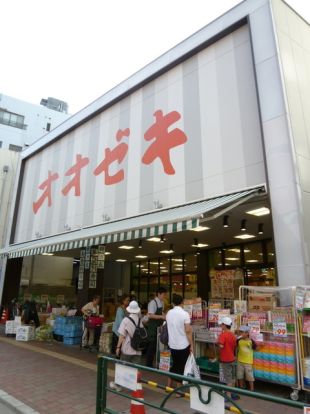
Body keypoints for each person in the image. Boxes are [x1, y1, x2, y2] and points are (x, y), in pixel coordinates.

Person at [166, 294, 193, 388]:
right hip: (183, 344)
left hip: (172, 344)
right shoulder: (185, 314)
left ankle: (169, 386)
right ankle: (178, 390)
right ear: (183, 302)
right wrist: (192, 345)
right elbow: (188, 331)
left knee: (175, 364)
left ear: (173, 303)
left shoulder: (169, 313)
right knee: (181, 366)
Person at [218, 316, 239, 400]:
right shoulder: (233, 335)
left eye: (221, 324)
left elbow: (221, 345)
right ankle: (233, 393)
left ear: (224, 325)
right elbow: (234, 346)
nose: (220, 326)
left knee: (228, 378)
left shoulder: (223, 335)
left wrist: (217, 342)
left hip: (225, 359)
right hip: (232, 358)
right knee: (232, 376)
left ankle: (228, 396)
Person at [145, 286, 167, 367]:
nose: (165, 296)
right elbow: (150, 315)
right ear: (159, 294)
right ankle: (148, 364)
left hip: (159, 327)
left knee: (156, 346)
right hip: (153, 327)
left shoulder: (162, 302)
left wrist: (165, 315)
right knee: (152, 346)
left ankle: (155, 363)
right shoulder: (153, 303)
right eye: (164, 294)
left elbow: (161, 313)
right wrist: (161, 317)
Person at [237, 325, 257, 391]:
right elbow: (236, 348)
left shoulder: (251, 341)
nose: (241, 334)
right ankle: (241, 387)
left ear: (247, 333)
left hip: (248, 362)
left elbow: (256, 348)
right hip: (239, 361)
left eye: (242, 332)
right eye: (240, 332)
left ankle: (252, 389)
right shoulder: (239, 340)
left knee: (250, 376)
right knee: (240, 375)